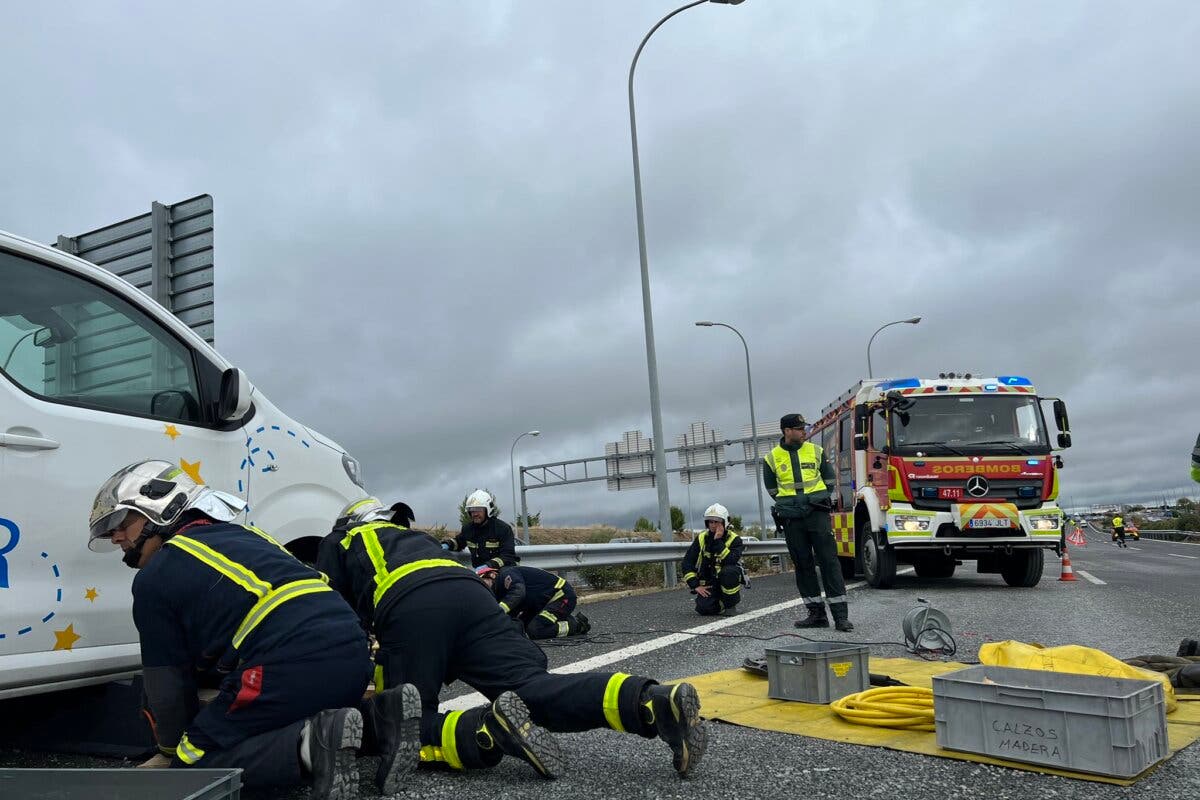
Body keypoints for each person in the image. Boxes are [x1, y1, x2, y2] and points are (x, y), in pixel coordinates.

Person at [319, 497, 708, 779]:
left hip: (412, 605)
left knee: (399, 719)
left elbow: (335, 614)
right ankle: (653, 702)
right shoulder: (414, 538)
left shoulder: (340, 541)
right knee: (535, 689)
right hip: (474, 597)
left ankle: (489, 732)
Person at [86, 460, 404, 799]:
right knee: (269, 714)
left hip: (292, 663)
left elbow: (167, 687)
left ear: (159, 512)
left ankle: (312, 746)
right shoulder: (247, 534)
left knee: (194, 765)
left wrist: (171, 747)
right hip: (352, 655)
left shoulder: (154, 577)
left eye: (121, 521)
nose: (114, 535)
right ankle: (378, 722)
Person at [762, 413, 853, 632]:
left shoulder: (816, 451)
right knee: (803, 566)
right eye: (799, 428)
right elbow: (772, 489)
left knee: (829, 563)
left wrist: (816, 499)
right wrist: (791, 504)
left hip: (817, 514)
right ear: (787, 431)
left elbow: (830, 479)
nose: (804, 432)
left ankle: (841, 617)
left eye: (804, 428)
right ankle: (816, 614)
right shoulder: (771, 458)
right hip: (792, 518)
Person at [476, 564, 591, 639]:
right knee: (520, 629)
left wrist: (498, 611)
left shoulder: (506, 574)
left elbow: (518, 592)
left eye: (483, 582)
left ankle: (576, 625)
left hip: (561, 596)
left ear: (492, 574)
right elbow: (511, 614)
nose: (483, 587)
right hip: (541, 603)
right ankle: (561, 618)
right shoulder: (499, 593)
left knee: (536, 630)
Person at [681, 503, 745, 617]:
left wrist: (718, 541)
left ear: (725, 522)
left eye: (717, 522)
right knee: (704, 609)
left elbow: (731, 560)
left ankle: (730, 605)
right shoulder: (702, 538)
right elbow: (687, 563)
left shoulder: (735, 539)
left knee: (729, 572)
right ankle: (720, 604)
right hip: (710, 582)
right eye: (710, 522)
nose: (713, 525)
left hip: (727, 578)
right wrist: (695, 585)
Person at [443, 489, 518, 568]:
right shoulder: (468, 529)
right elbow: (459, 542)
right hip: (481, 573)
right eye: (472, 510)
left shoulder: (503, 529)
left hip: (505, 570)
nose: (475, 514)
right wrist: (446, 545)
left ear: (487, 510)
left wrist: (489, 566)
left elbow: (508, 556)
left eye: (478, 510)